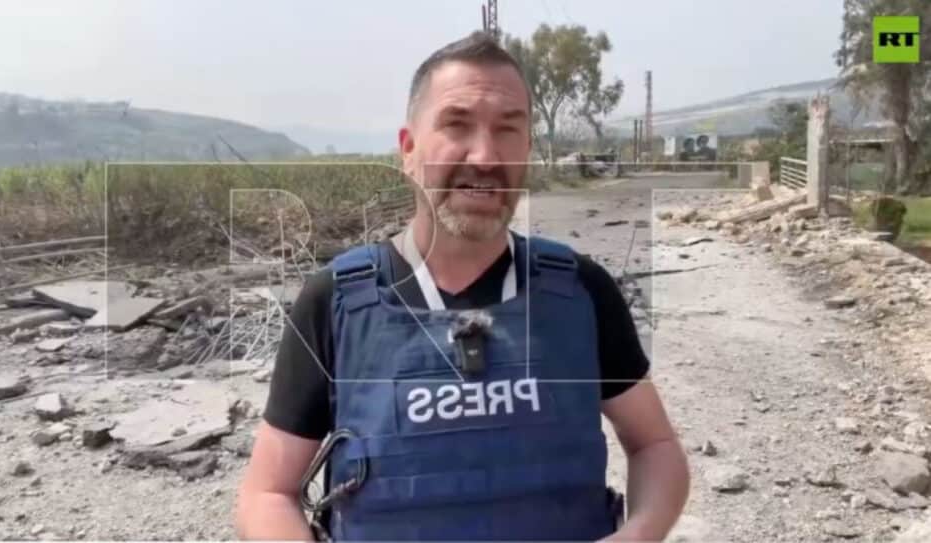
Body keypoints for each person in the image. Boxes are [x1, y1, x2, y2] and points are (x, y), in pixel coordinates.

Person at [236, 31, 689, 542]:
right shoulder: (336, 303)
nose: (485, 155)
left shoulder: (582, 292)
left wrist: (637, 534)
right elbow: (267, 493)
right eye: (457, 124)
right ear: (408, 150)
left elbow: (653, 445)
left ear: (527, 150)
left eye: (508, 129)